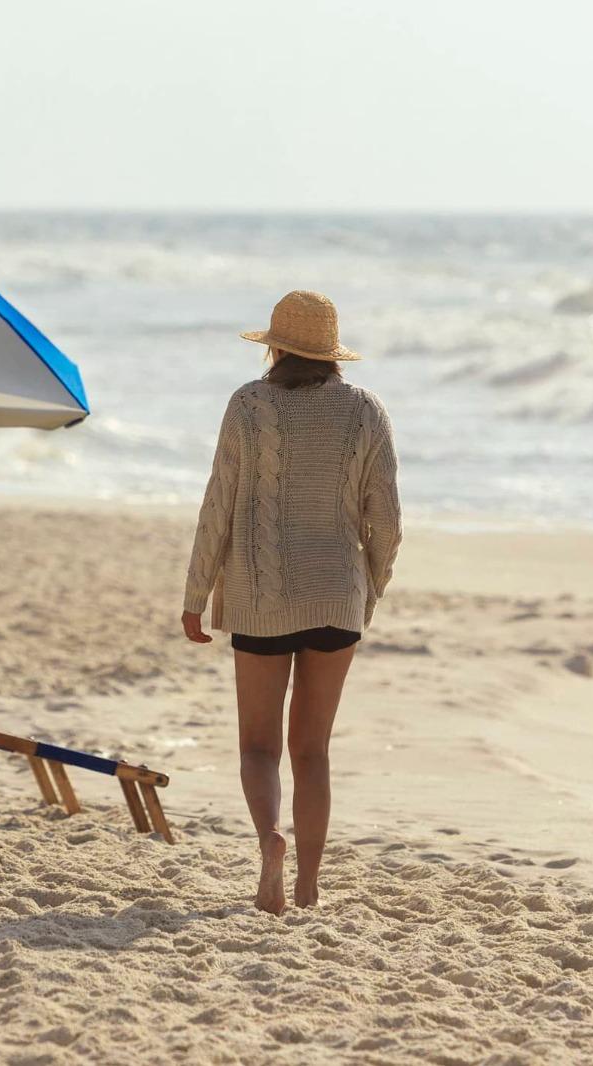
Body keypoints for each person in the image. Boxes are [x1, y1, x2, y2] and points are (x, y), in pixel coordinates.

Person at [181, 290, 401, 914]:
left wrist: (195, 596)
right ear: (332, 353)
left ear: (275, 347)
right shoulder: (366, 411)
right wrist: (370, 588)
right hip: (338, 596)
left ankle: (269, 844)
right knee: (313, 750)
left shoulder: (248, 405)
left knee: (258, 746)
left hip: (258, 595)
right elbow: (385, 520)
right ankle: (308, 886)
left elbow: (217, 503)